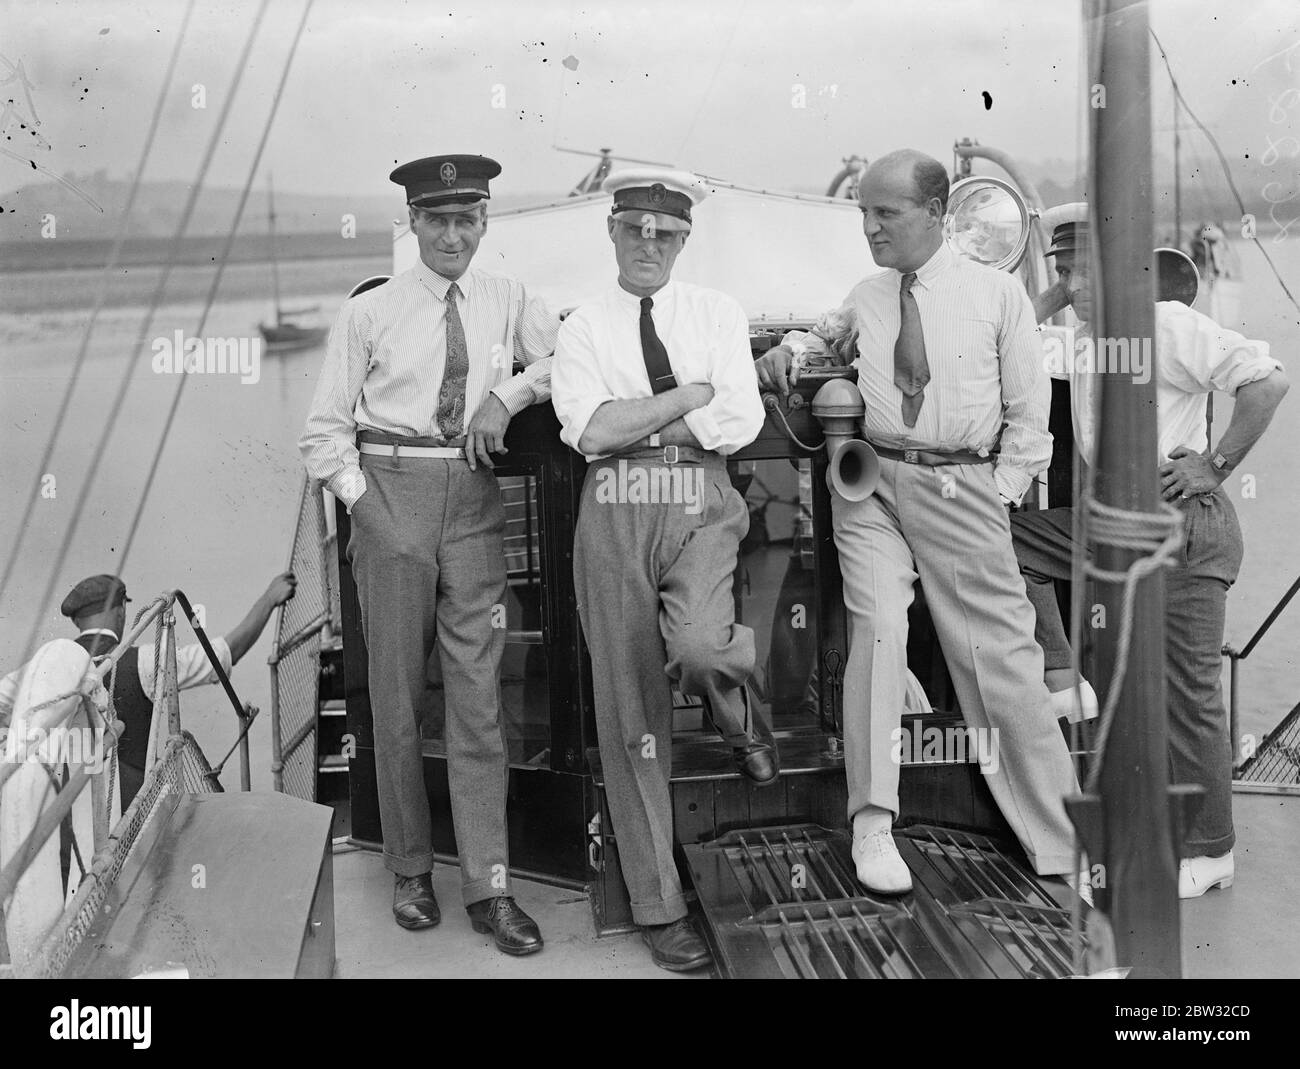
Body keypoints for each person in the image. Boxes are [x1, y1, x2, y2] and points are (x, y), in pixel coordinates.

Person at [754, 149, 1083, 898]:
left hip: (961, 483)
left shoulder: (998, 296)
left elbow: (1033, 419)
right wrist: (792, 348)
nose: (870, 228)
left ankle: (1061, 843)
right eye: (864, 213)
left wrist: (996, 492)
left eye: (885, 213)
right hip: (872, 482)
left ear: (936, 215)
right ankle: (873, 823)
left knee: (1001, 657)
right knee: (876, 635)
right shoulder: (869, 294)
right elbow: (828, 336)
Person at [299, 153, 556, 955]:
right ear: (413, 224)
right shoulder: (369, 313)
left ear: (485, 223)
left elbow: (563, 362)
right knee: (398, 692)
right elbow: (324, 433)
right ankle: (410, 867)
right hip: (392, 494)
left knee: (479, 697)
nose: (453, 234)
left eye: (467, 219)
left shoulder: (509, 297)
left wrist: (506, 393)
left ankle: (491, 885)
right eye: (438, 219)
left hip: (473, 501)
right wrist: (370, 510)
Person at [1013, 219, 1289, 899]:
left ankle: (1210, 851)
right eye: (1064, 267)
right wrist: (1061, 290)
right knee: (1007, 540)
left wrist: (1214, 464)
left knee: (1187, 694)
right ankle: (1060, 672)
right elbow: (1012, 334)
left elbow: (1268, 380)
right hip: (1116, 528)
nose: (1074, 283)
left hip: (1183, 523)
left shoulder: (1166, 324)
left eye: (1087, 268)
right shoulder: (1081, 340)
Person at [551, 167, 776, 971]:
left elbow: (740, 419)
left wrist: (646, 416)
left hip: (698, 495)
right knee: (631, 711)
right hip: (612, 504)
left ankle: (743, 717)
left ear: (685, 239)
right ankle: (658, 904)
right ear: (612, 232)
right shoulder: (581, 328)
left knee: (705, 646)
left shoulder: (717, 311)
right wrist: (690, 393)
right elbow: (591, 432)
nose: (650, 244)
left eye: (666, 233)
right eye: (635, 229)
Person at [0, 571, 296, 807]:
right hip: (131, 811)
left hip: (64, 811)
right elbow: (223, 655)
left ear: (78, 620)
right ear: (119, 611)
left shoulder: (41, 668)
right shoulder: (143, 661)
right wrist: (269, 599)